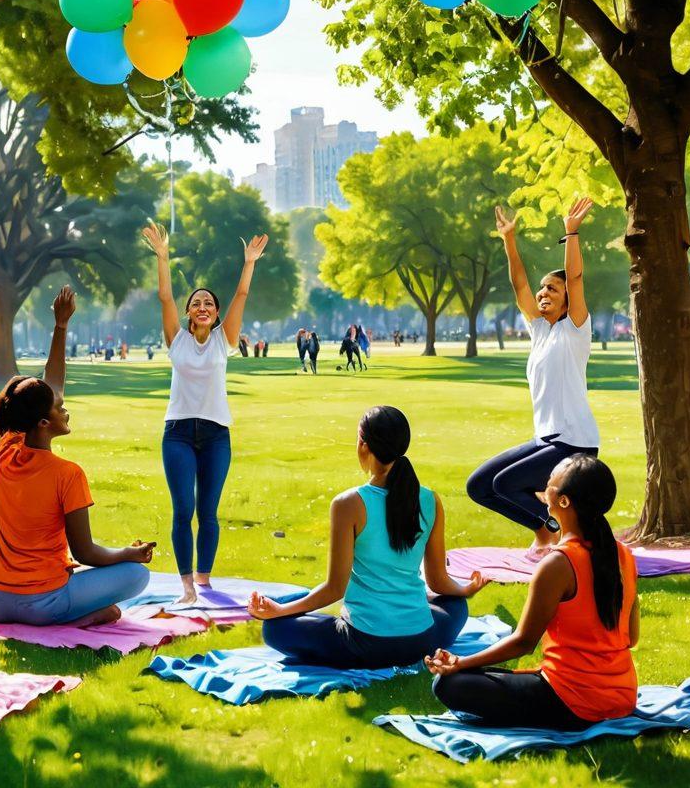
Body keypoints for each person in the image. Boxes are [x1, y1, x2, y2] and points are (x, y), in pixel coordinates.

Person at [248, 406, 487, 668]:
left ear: (363, 444)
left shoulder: (348, 504)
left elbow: (334, 589)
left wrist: (280, 611)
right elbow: (439, 581)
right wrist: (465, 590)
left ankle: (288, 608)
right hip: (420, 641)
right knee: (457, 605)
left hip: (366, 644)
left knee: (274, 628)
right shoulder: (431, 499)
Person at [0, 287, 154, 627]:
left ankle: (73, 611)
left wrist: (60, 326)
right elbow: (85, 552)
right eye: (60, 408)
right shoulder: (67, 474)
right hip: (41, 604)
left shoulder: (3, 451)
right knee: (136, 575)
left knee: (93, 574)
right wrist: (127, 553)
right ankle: (74, 620)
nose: (65, 408)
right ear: (43, 423)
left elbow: (50, 386)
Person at [428, 455, 638, 730]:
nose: (544, 485)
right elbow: (632, 637)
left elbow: (523, 643)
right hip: (622, 698)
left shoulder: (557, 564)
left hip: (574, 703)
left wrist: (460, 663)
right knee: (482, 676)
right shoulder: (623, 556)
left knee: (447, 684)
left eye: (550, 482)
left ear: (564, 501)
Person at [142, 221, 269, 605]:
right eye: (196, 303)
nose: (202, 307)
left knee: (208, 512)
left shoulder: (223, 341)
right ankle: (186, 587)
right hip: (178, 434)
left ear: (215, 314)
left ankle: (204, 580)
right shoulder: (176, 339)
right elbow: (165, 296)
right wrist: (163, 256)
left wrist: (249, 262)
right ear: (188, 312)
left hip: (216, 435)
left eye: (208, 304)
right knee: (183, 510)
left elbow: (242, 294)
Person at [467, 199, 599, 558]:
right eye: (543, 289)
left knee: (505, 484)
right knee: (479, 486)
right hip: (545, 440)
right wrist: (509, 239)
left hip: (574, 442)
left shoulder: (576, 328)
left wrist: (571, 232)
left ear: (568, 299)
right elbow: (520, 283)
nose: (543, 293)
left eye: (552, 289)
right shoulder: (539, 330)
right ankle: (546, 529)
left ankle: (560, 530)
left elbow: (575, 277)